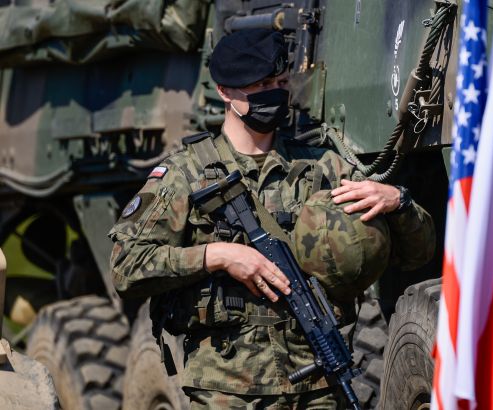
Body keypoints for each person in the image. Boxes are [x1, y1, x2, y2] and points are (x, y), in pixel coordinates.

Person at [109, 28, 435, 409]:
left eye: (281, 82)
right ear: (225, 91)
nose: (275, 92)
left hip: (318, 386)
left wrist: (398, 202)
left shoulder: (323, 166)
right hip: (227, 391)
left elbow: (418, 254)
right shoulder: (186, 174)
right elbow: (126, 266)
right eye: (262, 85)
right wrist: (217, 256)